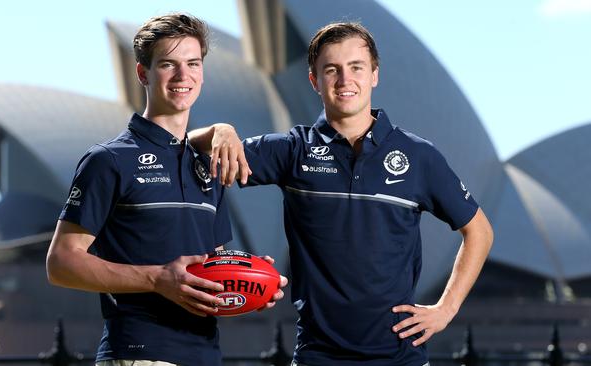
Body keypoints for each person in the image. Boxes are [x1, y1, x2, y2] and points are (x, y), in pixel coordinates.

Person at [190, 22, 493, 365]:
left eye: (356, 68)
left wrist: (446, 309)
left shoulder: (418, 156)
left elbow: (479, 231)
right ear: (314, 81)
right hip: (318, 356)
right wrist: (219, 130)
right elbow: (188, 153)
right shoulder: (293, 151)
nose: (345, 80)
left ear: (374, 75)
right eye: (331, 70)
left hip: (400, 357)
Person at [46, 13, 285, 366]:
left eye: (192, 63)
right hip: (138, 354)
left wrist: (247, 283)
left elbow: (211, 266)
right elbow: (61, 262)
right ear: (143, 73)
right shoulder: (109, 160)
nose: (182, 76)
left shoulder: (207, 165)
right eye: (168, 64)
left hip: (206, 355)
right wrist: (157, 279)